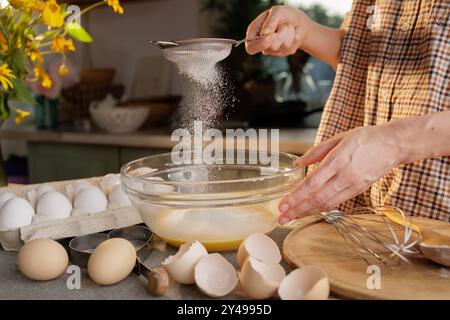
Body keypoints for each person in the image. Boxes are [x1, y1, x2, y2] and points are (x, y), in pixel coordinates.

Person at [245, 2, 449, 223]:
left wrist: (395, 141)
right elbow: (361, 53)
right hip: (362, 216)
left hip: (438, 218)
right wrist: (304, 31)